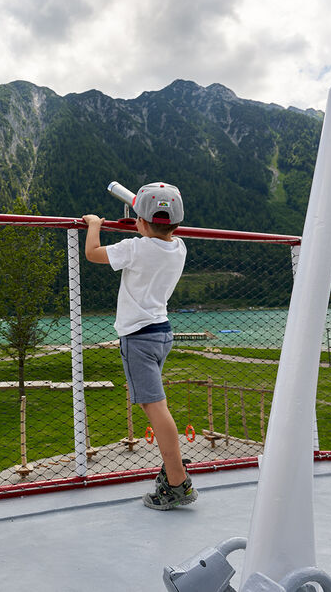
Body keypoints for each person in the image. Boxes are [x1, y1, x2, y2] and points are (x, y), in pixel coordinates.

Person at [82, 182, 196, 510]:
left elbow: (92, 254)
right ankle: (174, 472)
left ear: (140, 223)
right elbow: (159, 235)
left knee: (155, 407)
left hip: (139, 338)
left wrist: (94, 226)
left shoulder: (135, 247)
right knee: (156, 404)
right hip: (162, 334)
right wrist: (145, 227)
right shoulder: (180, 248)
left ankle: (177, 482)